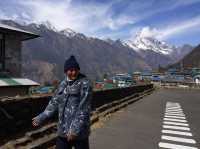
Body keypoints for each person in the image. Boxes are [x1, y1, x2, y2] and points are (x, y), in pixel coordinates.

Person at [32, 55, 92, 149]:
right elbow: (54, 103)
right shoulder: (62, 84)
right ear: (65, 71)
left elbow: (84, 108)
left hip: (80, 132)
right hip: (63, 130)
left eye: (76, 69)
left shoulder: (85, 83)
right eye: (71, 70)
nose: (74, 72)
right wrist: (42, 116)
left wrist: (75, 130)